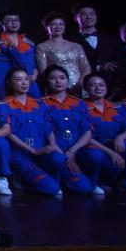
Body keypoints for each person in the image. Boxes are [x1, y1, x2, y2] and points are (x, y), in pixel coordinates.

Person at [78, 73, 126, 196]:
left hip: (113, 144)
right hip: (92, 146)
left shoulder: (116, 107)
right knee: (96, 156)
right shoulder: (81, 107)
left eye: (101, 85)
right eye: (93, 85)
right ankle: (94, 182)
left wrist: (120, 138)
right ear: (86, 89)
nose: (98, 88)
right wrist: (111, 153)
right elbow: (86, 136)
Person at [4, 69, 63, 196]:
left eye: (26, 79)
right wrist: (32, 150)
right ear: (9, 83)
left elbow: (48, 128)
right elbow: (7, 133)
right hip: (19, 153)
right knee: (53, 189)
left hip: (41, 151)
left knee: (59, 158)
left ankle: (34, 178)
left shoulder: (39, 104)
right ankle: (20, 178)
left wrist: (53, 145)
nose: (24, 83)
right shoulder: (4, 104)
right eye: (19, 80)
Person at [41, 65, 96, 194]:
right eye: (53, 78)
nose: (58, 81)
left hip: (76, 149)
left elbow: (87, 131)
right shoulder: (41, 103)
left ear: (67, 80)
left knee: (85, 186)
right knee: (57, 161)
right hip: (54, 151)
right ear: (47, 82)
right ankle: (56, 179)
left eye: (62, 78)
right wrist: (63, 155)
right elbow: (44, 131)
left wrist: (72, 151)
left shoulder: (79, 103)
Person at [35, 12, 92, 95]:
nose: (58, 27)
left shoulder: (76, 46)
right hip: (56, 88)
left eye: (60, 24)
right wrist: (58, 82)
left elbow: (86, 68)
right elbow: (43, 71)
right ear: (47, 27)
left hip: (79, 88)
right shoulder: (42, 47)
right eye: (53, 24)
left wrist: (80, 82)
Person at [68, 3, 120, 83]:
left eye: (92, 14)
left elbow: (119, 63)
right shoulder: (70, 41)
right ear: (75, 18)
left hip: (111, 85)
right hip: (84, 85)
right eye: (84, 14)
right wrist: (97, 68)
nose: (88, 17)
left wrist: (117, 86)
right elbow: (72, 66)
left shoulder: (110, 39)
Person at [0, 9, 40, 97]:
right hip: (10, 87)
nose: (14, 23)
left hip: (31, 84)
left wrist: (35, 75)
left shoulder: (29, 42)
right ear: (1, 23)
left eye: (16, 20)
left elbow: (34, 64)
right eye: (9, 20)